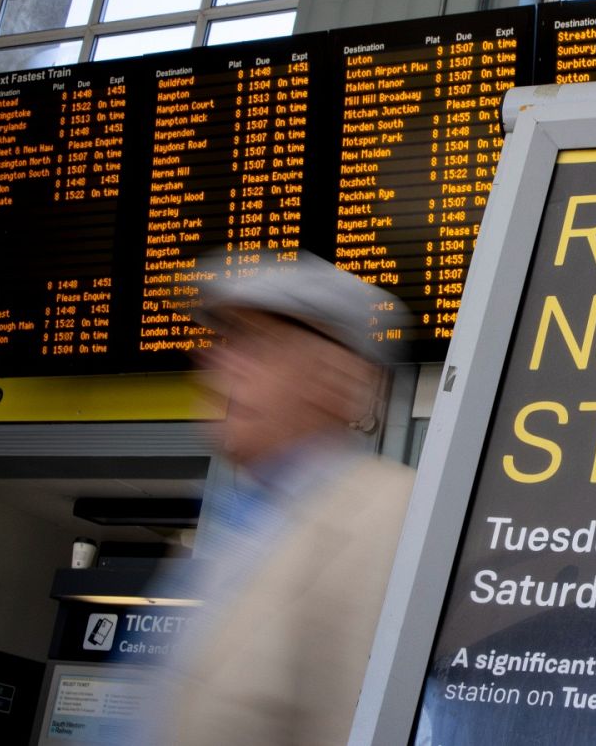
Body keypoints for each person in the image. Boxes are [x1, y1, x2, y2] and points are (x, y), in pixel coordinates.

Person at [155, 252, 415, 746]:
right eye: (224, 342)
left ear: (339, 377)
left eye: (257, 345)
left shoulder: (390, 525)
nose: (220, 364)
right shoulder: (239, 526)